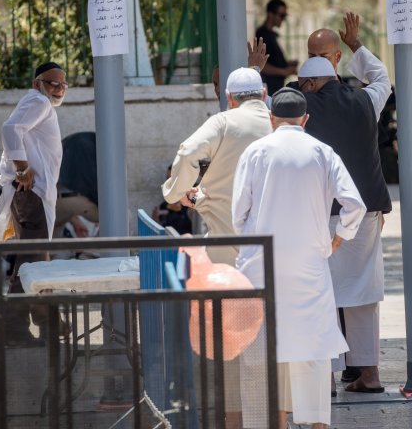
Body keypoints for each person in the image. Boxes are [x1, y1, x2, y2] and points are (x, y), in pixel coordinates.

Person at [232, 88, 365, 429]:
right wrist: (338, 238)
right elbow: (355, 204)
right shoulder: (322, 151)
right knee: (313, 346)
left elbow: (238, 213)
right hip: (310, 262)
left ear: (271, 118)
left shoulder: (256, 151)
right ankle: (317, 423)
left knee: (262, 346)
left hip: (262, 260)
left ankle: (266, 422)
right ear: (305, 120)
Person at [161, 66, 271, 427]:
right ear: (264, 93)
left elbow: (190, 150)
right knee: (270, 348)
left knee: (229, 345)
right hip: (275, 253)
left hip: (230, 254)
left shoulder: (224, 122)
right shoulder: (278, 122)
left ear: (229, 97)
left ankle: (234, 422)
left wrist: (176, 192)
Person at [298, 53, 392, 393]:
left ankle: (324, 379)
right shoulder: (366, 100)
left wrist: (254, 68)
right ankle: (370, 376)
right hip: (365, 211)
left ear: (309, 84)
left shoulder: (300, 106)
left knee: (322, 291)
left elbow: (256, 103)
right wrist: (358, 48)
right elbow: (381, 78)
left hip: (321, 213)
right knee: (363, 291)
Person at [0, 61, 67, 346]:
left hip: (32, 193)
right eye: (52, 82)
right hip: (31, 193)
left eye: (63, 83)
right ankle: (13, 326)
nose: (59, 88)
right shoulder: (39, 102)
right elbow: (10, 129)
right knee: (33, 261)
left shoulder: (38, 102)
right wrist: (23, 168)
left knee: (37, 259)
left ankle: (49, 321)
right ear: (38, 83)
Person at [256, 0, 298, 94]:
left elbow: (272, 60)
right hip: (269, 90)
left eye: (284, 16)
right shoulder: (262, 34)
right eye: (281, 15)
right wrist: (284, 71)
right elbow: (262, 65)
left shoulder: (270, 34)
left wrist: (287, 65)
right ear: (270, 14)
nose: (283, 19)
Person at [153, 165, 193, 235]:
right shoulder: (164, 205)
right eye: (167, 178)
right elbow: (160, 230)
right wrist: (156, 218)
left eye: (172, 179)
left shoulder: (189, 200)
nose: (169, 183)